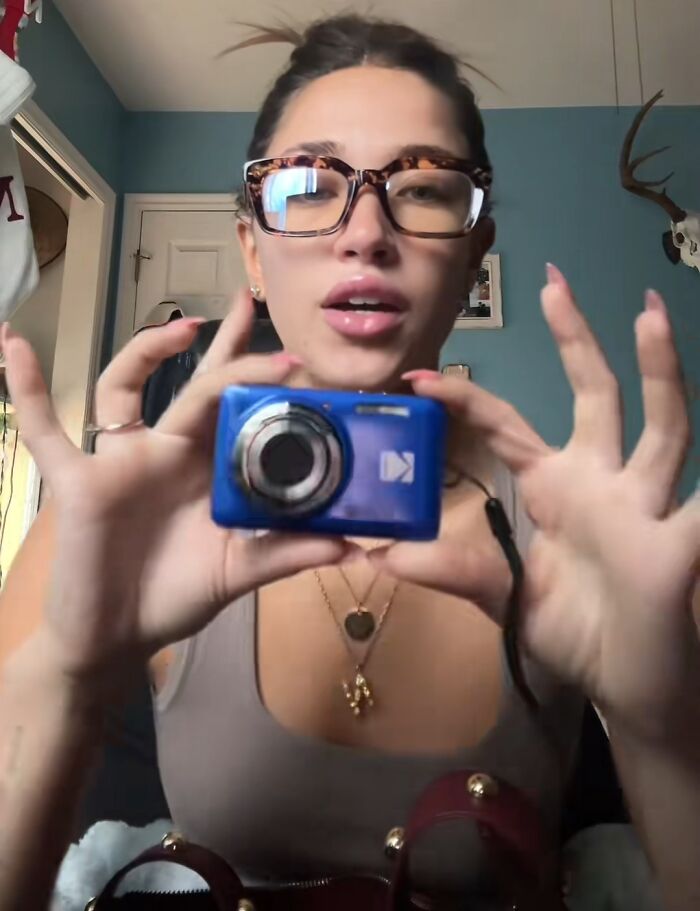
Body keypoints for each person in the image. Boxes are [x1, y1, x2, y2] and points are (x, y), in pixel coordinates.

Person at [1, 13, 699, 911]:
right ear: (252, 248)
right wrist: (64, 680)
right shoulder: (122, 520)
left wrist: (659, 728)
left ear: (475, 246)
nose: (365, 231)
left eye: (425, 187)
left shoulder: (594, 541)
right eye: (306, 184)